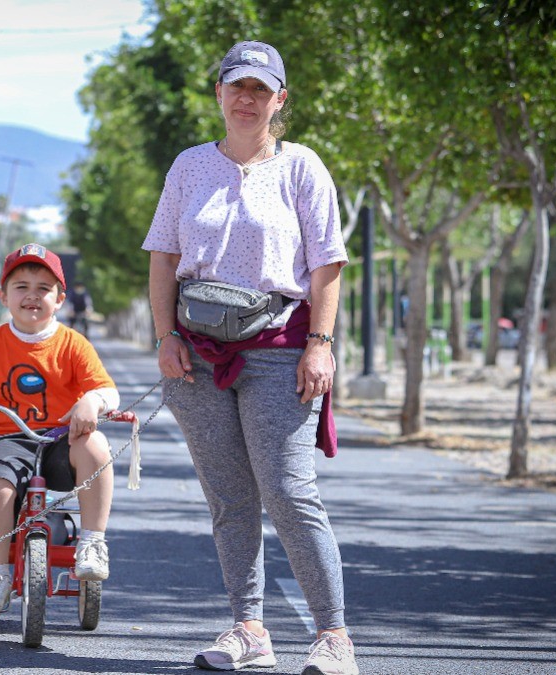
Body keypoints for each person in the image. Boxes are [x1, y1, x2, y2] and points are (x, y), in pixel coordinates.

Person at [141, 40, 358, 674]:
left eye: (260, 89)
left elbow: (327, 266)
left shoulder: (302, 168)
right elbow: (164, 258)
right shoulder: (188, 167)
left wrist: (321, 344)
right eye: (237, 86)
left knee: (289, 492)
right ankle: (250, 628)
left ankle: (333, 637)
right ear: (219, 93)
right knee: (229, 499)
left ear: (279, 99)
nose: (247, 98)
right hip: (197, 356)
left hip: (277, 350)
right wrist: (164, 336)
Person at [0, 242, 121, 614]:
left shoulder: (73, 343)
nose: (32, 296)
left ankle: (92, 542)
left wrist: (92, 402)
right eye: (21, 287)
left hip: (59, 442)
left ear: (59, 299)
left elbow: (106, 390)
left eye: (44, 288)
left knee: (96, 444)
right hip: (7, 440)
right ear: (3, 296)